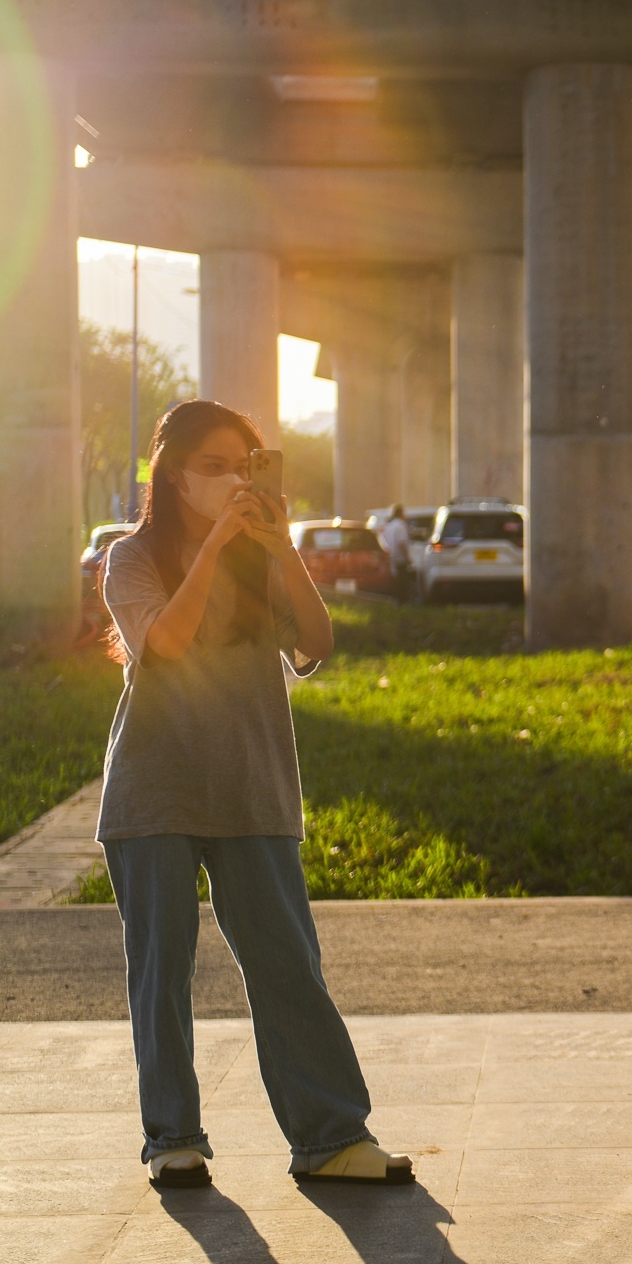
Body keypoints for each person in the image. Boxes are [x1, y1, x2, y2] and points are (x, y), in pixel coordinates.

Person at [98, 399, 411, 1190]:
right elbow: (161, 642)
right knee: (161, 970)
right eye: (215, 467)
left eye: (247, 463)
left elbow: (316, 643)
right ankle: (173, 1137)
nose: (234, 478)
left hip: (253, 781)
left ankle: (333, 1137)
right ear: (174, 477)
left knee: (287, 965)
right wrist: (213, 549)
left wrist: (279, 548)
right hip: (155, 789)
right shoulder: (129, 558)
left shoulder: (263, 555)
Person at [380, 503, 412, 599]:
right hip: (400, 560)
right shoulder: (400, 526)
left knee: (395, 583)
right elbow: (401, 543)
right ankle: (402, 603)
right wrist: (407, 557)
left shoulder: (389, 526)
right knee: (403, 584)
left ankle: (395, 602)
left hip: (391, 558)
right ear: (401, 513)